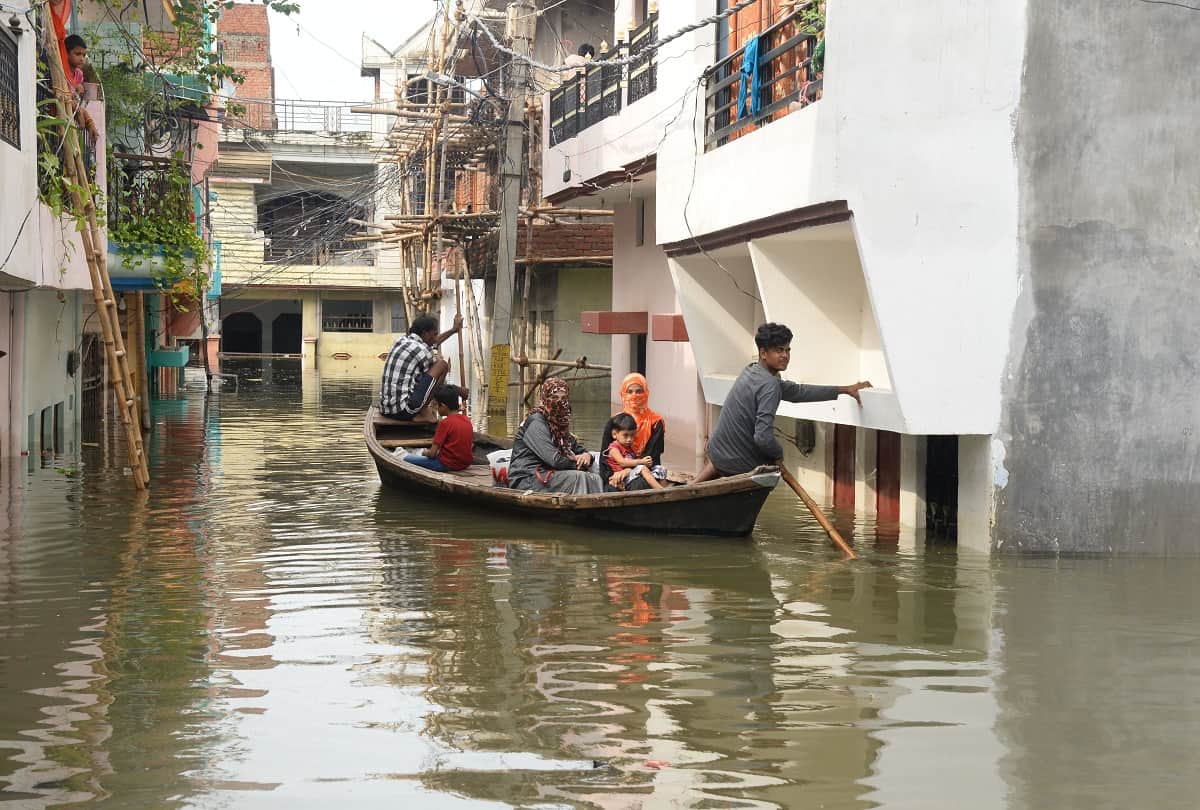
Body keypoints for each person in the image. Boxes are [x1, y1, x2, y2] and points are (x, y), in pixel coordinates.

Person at [693, 322, 872, 482]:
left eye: (787, 350)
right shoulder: (770, 385)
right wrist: (779, 455)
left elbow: (799, 392)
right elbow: (762, 437)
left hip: (717, 451)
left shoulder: (752, 370)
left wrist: (844, 390)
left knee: (722, 463)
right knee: (769, 471)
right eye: (779, 350)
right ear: (763, 353)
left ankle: (693, 486)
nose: (785, 355)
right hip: (737, 463)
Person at [508, 377, 604, 495]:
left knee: (596, 477)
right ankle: (580, 512)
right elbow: (555, 460)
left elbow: (575, 446)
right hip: (527, 478)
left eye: (563, 398)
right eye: (554, 398)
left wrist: (586, 455)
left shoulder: (560, 424)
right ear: (545, 399)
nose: (559, 402)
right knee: (580, 477)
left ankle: (599, 509)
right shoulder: (536, 423)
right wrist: (578, 464)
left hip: (551, 474)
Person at [379, 313, 462, 421]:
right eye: (435, 334)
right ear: (425, 334)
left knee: (431, 370)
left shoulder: (401, 340)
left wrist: (453, 330)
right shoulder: (424, 351)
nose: (436, 338)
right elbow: (436, 385)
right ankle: (422, 410)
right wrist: (459, 391)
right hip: (404, 411)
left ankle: (420, 409)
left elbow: (433, 343)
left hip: (386, 409)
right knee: (442, 365)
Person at [599, 372, 665, 466]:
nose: (634, 395)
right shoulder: (614, 421)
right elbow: (605, 456)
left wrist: (630, 470)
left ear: (646, 393)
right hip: (617, 473)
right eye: (629, 392)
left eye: (639, 391)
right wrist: (610, 476)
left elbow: (652, 456)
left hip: (647, 470)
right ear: (622, 394)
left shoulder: (656, 422)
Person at [403, 387, 474, 472]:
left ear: (443, 406)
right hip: (465, 464)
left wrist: (423, 452)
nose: (435, 408)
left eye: (436, 404)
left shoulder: (445, 423)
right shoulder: (467, 420)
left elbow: (432, 454)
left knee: (405, 458)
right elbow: (471, 445)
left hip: (446, 465)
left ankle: (402, 454)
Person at [605, 412, 663, 491]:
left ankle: (662, 486)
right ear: (615, 434)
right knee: (642, 468)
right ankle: (660, 490)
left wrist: (646, 463)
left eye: (632, 435)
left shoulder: (628, 448)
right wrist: (641, 461)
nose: (629, 439)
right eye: (625, 435)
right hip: (621, 477)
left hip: (629, 473)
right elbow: (623, 462)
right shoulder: (614, 448)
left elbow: (633, 462)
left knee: (659, 469)